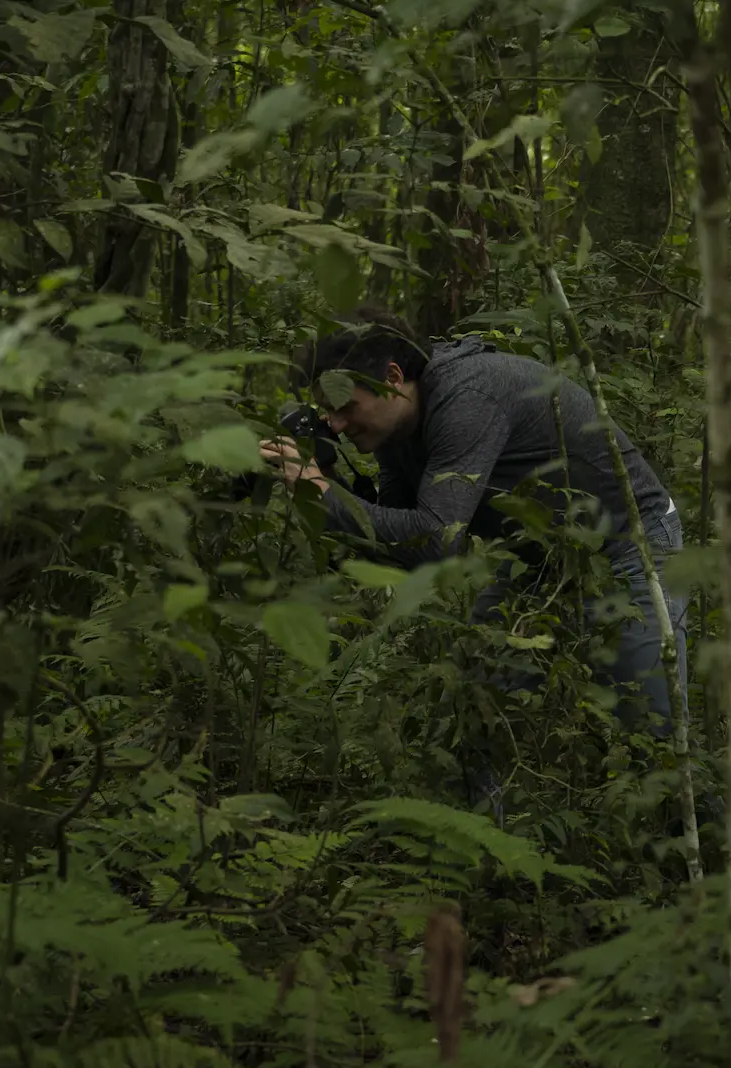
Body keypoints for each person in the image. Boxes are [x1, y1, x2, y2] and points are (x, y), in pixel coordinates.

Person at [258, 306, 688, 745]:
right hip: (534, 556)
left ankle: (697, 814)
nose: (336, 424)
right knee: (478, 713)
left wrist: (322, 494)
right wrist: (327, 484)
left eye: (346, 408)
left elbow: (435, 543)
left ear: (391, 378)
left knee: (654, 733)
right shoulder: (396, 431)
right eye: (329, 412)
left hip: (629, 541)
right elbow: (404, 544)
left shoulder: (467, 397)